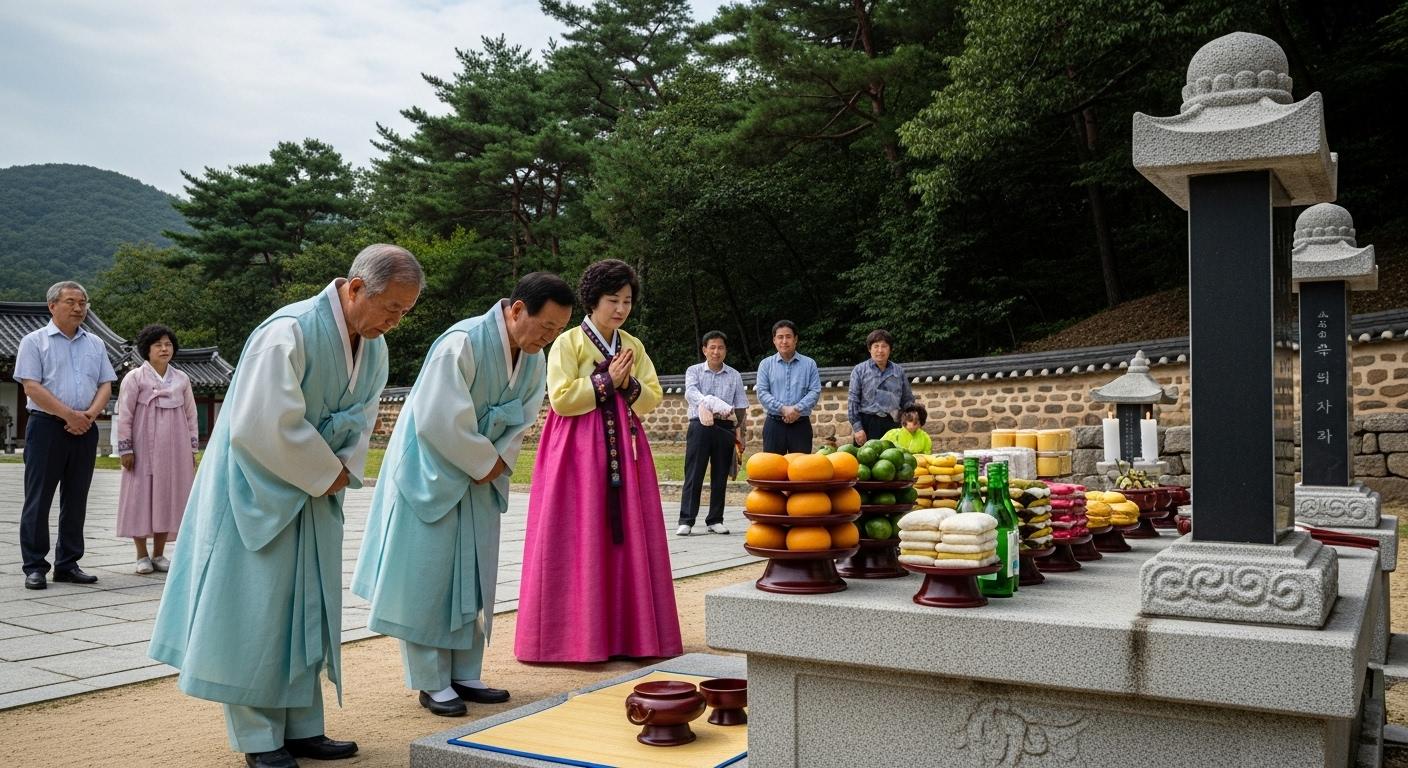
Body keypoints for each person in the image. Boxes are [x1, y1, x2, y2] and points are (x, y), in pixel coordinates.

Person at [149, 245, 424, 768]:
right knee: (255, 610)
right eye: (391, 308)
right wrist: (323, 471)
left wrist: (338, 469)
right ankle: (257, 736)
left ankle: (302, 725)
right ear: (357, 287)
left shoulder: (375, 347)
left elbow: (362, 419)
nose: (394, 321)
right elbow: (261, 422)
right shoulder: (290, 329)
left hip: (314, 489)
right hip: (256, 488)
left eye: (404, 313)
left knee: (306, 605)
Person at [353, 273, 574, 717]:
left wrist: (493, 462)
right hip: (430, 473)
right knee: (428, 579)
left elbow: (524, 416)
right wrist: (484, 460)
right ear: (515, 310)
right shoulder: (463, 341)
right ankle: (431, 681)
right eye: (545, 327)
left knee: (472, 572)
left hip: (480, 475)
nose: (548, 338)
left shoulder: (531, 357)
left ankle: (465, 671)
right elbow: (438, 418)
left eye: (557, 331)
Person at [514, 259, 682, 663]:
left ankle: (631, 636)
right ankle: (572, 639)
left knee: (627, 534)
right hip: (576, 449)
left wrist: (629, 383)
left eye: (627, 301)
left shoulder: (634, 346)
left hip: (625, 447)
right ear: (593, 301)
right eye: (613, 300)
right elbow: (561, 397)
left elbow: (653, 396)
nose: (621, 309)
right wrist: (607, 381)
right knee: (580, 532)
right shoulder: (568, 342)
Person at [14, 281, 116, 590]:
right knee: (39, 499)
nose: (78, 308)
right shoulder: (34, 341)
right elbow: (31, 386)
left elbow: (105, 385)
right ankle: (34, 566)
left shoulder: (95, 344)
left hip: (85, 428)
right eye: (71, 301)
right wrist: (68, 415)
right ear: (52, 306)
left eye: (83, 302)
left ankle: (68, 563)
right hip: (46, 427)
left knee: (77, 499)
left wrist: (88, 415)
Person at [115, 324, 199, 575]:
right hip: (142, 445)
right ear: (147, 350)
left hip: (175, 447)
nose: (164, 349)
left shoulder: (181, 379)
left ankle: (159, 553)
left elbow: (191, 415)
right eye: (158, 345)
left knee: (168, 495)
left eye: (168, 344)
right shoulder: (135, 378)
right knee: (140, 495)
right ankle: (141, 555)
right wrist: (125, 449)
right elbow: (125, 414)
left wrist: (192, 449)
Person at [676, 330, 748, 536]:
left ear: (725, 350)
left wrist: (741, 434)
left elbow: (741, 406)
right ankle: (686, 519)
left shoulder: (734, 375)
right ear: (704, 350)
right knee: (694, 472)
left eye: (721, 347)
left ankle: (715, 519)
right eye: (712, 347)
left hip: (725, 427)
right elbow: (691, 392)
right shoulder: (694, 371)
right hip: (700, 425)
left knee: (720, 474)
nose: (716, 352)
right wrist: (707, 404)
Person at [754, 320, 820, 454]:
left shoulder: (809, 364)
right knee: (772, 470)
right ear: (774, 340)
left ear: (795, 339)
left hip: (801, 424)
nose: (784, 341)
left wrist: (797, 409)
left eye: (788, 336)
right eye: (780, 337)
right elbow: (762, 392)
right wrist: (783, 409)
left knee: (801, 470)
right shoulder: (765, 365)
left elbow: (814, 391)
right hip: (774, 424)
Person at [848, 329, 915, 445]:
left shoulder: (899, 371)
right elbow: (853, 401)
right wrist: (858, 428)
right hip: (867, 424)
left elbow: (907, 400)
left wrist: (911, 420)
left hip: (893, 424)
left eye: (884, 346)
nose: (880, 350)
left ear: (890, 349)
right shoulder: (859, 370)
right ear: (870, 349)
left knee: (894, 460)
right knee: (866, 460)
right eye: (876, 346)